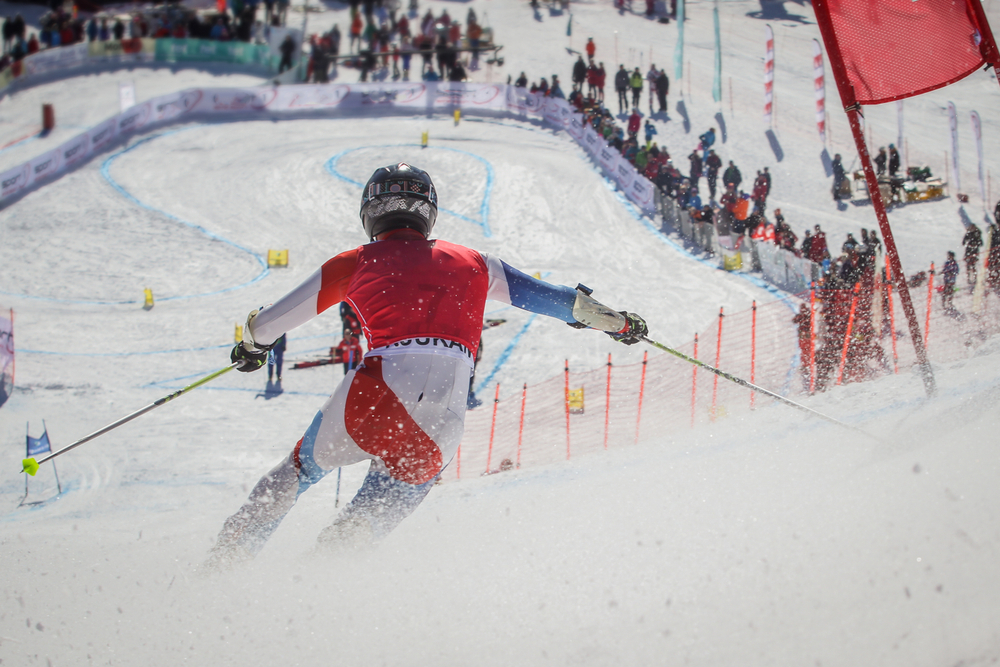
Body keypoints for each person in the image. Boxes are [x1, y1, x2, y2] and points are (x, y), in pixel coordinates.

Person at [203, 163, 649, 569]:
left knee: (295, 474)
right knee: (358, 531)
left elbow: (267, 325)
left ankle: (217, 570)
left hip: (377, 391)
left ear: (368, 213)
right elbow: (559, 301)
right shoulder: (476, 263)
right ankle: (304, 597)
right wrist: (619, 323)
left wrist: (251, 347)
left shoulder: (355, 263)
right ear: (429, 213)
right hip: (444, 417)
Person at [962, 223, 983, 290]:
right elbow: (964, 242)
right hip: (970, 251)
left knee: (972, 266)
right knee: (969, 266)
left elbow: (981, 243)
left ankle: (974, 278)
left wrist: (975, 244)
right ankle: (969, 278)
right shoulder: (970, 233)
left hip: (973, 251)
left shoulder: (977, 234)